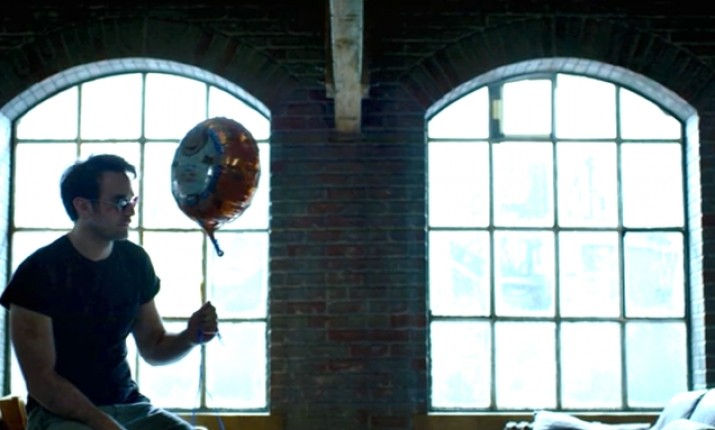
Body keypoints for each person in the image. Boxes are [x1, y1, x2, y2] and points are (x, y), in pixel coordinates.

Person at [0, 154, 218, 430]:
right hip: (59, 416)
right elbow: (43, 383)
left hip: (131, 408)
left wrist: (190, 336)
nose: (131, 211)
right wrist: (106, 425)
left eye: (132, 201)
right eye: (119, 202)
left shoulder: (135, 261)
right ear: (83, 206)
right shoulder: (38, 273)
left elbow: (153, 346)